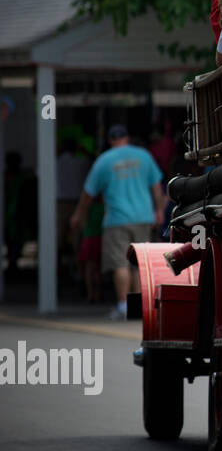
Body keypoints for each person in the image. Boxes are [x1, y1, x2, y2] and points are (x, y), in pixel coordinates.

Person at [68, 125, 165, 320]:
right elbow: (156, 186)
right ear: (127, 138)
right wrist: (160, 210)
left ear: (110, 140)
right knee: (138, 264)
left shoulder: (103, 161)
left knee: (121, 263)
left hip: (117, 220)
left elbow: (88, 193)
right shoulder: (143, 156)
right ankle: (137, 308)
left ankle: (123, 306)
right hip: (143, 217)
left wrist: (78, 214)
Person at [56, 138, 90, 275]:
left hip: (60, 204)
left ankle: (54, 272)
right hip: (78, 204)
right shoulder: (82, 162)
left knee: (56, 240)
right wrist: (86, 152)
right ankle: (80, 274)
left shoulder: (55, 162)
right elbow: (93, 162)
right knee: (79, 242)